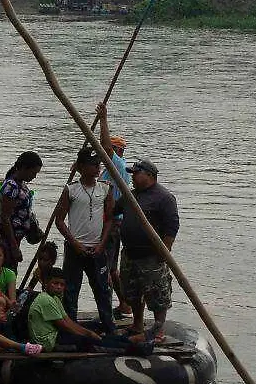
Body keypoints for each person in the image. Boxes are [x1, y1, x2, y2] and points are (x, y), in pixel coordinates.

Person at [53, 144, 116, 335]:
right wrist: (75, 243)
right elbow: (60, 220)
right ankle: (70, 327)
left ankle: (108, 325)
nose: (97, 167)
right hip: (75, 248)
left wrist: (102, 244)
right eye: (92, 164)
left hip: (97, 248)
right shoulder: (71, 190)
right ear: (80, 167)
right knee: (71, 289)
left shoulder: (105, 189)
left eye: (98, 164)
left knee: (102, 289)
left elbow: (110, 219)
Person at [120, 158, 179, 342]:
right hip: (130, 252)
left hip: (152, 255)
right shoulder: (131, 195)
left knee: (157, 294)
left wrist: (165, 250)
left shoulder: (164, 197)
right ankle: (137, 323)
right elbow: (114, 210)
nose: (133, 177)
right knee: (132, 291)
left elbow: (172, 226)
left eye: (137, 174)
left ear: (149, 176)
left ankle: (158, 330)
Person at [99, 102, 133, 319]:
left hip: (113, 224)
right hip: (109, 223)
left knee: (108, 268)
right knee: (110, 268)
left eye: (110, 150)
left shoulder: (117, 164)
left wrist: (103, 119)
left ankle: (123, 304)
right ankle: (123, 304)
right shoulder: (108, 169)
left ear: (117, 151)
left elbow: (104, 144)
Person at [26, 267, 104, 352]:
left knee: (94, 327)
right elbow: (65, 326)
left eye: (62, 284)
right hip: (48, 342)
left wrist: (89, 333)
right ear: (46, 283)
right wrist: (86, 335)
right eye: (55, 283)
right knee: (89, 342)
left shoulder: (54, 298)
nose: (59, 287)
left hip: (55, 335)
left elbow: (69, 321)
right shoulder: (45, 300)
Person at [0, 151, 44, 270]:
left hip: (15, 237)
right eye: (34, 172)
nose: (34, 176)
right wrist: (14, 246)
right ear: (25, 168)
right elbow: (5, 218)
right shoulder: (11, 186)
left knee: (10, 271)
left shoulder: (21, 185)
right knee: (5, 271)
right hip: (6, 239)